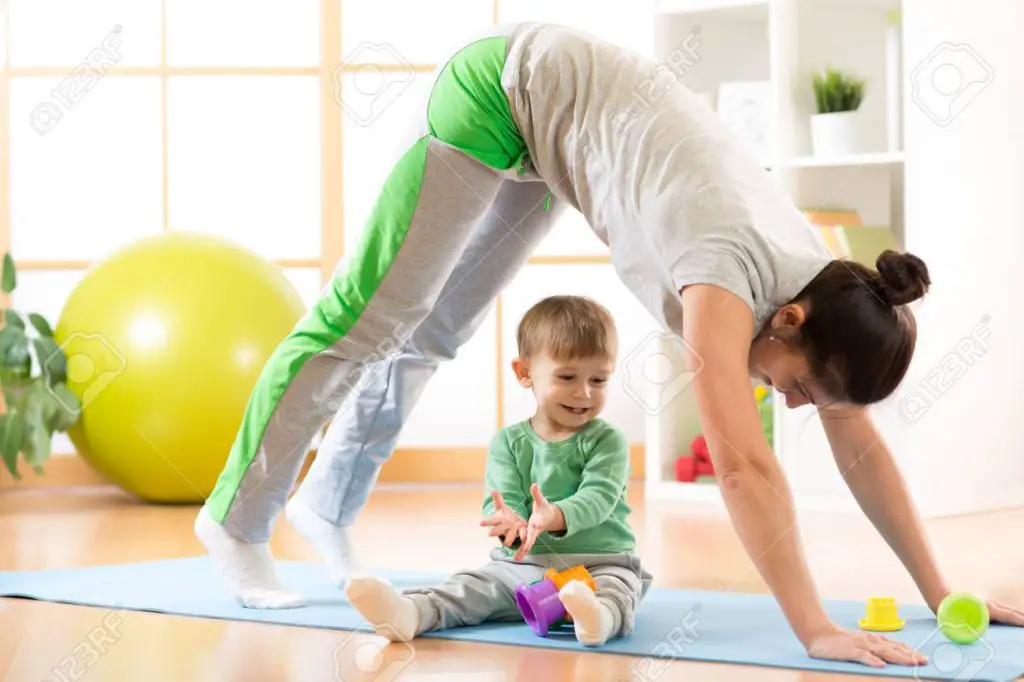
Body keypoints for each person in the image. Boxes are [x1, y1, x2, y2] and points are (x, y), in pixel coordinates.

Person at [194, 21, 1024, 669]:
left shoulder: (824, 294)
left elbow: (862, 450)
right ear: (789, 324)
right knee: (372, 315)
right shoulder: (724, 280)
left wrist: (941, 588)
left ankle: (327, 505)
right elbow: (742, 465)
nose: (794, 404)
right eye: (801, 390)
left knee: (436, 329)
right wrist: (813, 629)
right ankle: (235, 520)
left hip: (557, 130)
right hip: (501, 90)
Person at [344, 295, 651, 646]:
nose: (583, 393)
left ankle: (596, 618)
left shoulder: (608, 440)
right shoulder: (508, 443)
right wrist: (511, 524)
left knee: (616, 589)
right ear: (524, 372)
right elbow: (501, 500)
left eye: (599, 380)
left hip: (601, 561)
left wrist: (553, 515)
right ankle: (410, 613)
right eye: (567, 376)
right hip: (523, 567)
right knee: (470, 586)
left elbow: (599, 497)